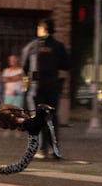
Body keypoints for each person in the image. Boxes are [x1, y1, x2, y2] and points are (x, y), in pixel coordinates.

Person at [21, 19, 70, 159]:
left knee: (38, 118)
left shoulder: (32, 46)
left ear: (43, 28)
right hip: (52, 86)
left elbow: (25, 68)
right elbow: (66, 66)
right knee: (52, 118)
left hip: (37, 87)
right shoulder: (59, 46)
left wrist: (26, 88)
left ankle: (41, 149)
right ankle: (55, 149)